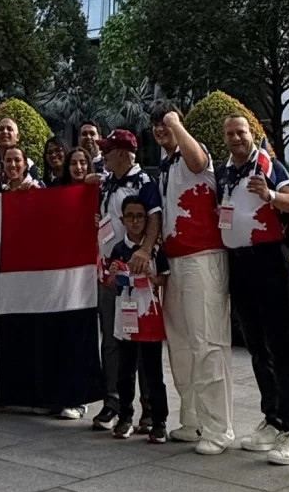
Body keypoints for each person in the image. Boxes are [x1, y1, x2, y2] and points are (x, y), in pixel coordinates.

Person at [216, 115, 289, 466]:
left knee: (280, 345)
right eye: (230, 133)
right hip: (239, 263)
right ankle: (273, 417)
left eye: (241, 132)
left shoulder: (267, 163)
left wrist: (268, 194)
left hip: (269, 260)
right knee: (255, 345)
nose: (236, 138)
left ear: (251, 134)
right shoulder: (225, 173)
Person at [153, 102, 233, 455]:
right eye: (156, 123)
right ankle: (193, 418)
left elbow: (199, 162)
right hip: (175, 260)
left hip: (203, 258)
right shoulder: (166, 166)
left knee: (208, 342)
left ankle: (219, 428)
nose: (161, 127)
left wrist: (174, 123)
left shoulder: (194, 154)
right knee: (182, 344)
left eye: (166, 121)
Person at [89, 129, 162, 432]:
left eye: (107, 150)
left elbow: (155, 216)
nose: (103, 155)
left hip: (137, 271)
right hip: (110, 271)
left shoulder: (144, 182)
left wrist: (145, 249)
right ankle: (113, 402)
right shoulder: (106, 182)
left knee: (143, 341)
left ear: (121, 153)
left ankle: (147, 409)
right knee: (112, 338)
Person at [105, 196, 170, 444]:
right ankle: (125, 416)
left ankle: (158, 419)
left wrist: (153, 278)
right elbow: (110, 283)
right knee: (125, 370)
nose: (135, 221)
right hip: (126, 317)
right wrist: (112, 275)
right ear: (122, 220)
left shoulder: (154, 249)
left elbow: (164, 279)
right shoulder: (117, 249)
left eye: (140, 216)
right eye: (130, 216)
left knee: (153, 371)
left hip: (149, 316)